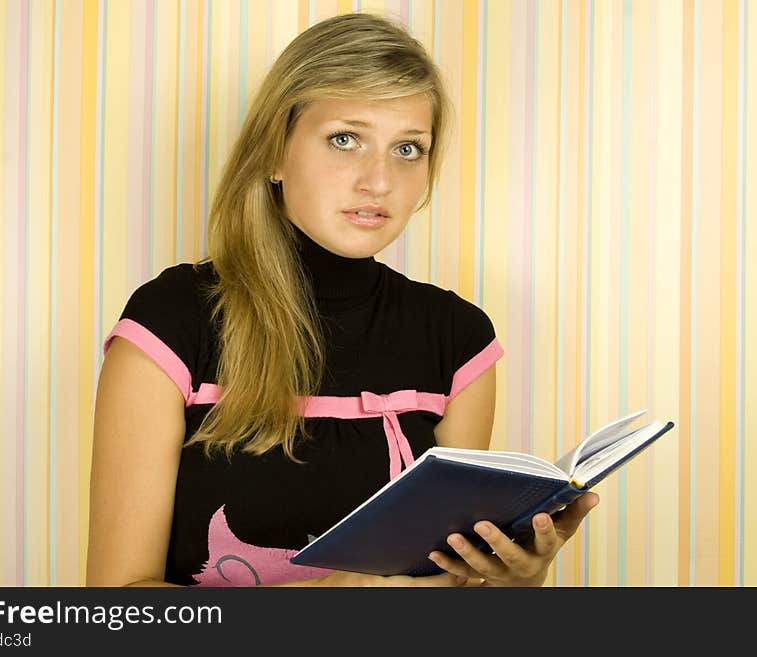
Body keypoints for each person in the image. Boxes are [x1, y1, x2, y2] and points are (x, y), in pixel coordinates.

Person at [85, 12, 598, 588]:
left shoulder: (457, 339)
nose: (378, 181)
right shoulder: (171, 322)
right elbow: (116, 612)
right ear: (275, 153)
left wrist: (510, 586)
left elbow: (443, 591)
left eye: (408, 149)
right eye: (345, 139)